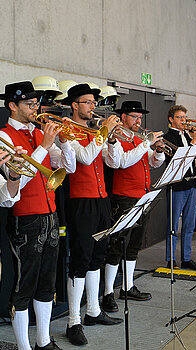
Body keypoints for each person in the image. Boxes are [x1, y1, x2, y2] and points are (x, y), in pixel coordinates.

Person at [0, 81, 76, 350]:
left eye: (36, 105)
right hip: (25, 218)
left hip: (51, 215)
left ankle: (43, 340)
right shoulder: (5, 136)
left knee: (46, 284)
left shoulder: (36, 133)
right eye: (30, 105)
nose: (35, 109)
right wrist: (44, 143)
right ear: (12, 106)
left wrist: (64, 143)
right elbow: (16, 183)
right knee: (24, 287)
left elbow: (67, 166)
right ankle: (23, 346)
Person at [61, 83, 125, 346]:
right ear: (74, 105)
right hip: (81, 201)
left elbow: (114, 162)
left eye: (93, 102)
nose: (92, 107)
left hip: (101, 200)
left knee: (97, 256)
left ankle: (93, 311)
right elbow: (85, 159)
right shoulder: (68, 129)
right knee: (81, 258)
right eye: (87, 102)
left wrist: (111, 139)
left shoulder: (94, 131)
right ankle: (73, 321)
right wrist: (103, 133)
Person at [102, 100, 164, 312]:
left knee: (134, 245)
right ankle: (108, 292)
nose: (139, 121)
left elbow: (154, 163)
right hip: (124, 198)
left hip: (142, 196)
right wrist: (146, 144)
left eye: (140, 117)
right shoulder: (116, 137)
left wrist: (158, 151)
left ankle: (128, 286)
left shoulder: (139, 139)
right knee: (117, 246)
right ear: (123, 117)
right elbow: (122, 162)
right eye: (135, 117)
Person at [163, 105, 196, 271]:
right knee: (173, 225)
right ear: (171, 119)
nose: (183, 121)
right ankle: (170, 260)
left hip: (191, 184)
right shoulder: (168, 138)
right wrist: (193, 141)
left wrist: (195, 139)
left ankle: (186, 258)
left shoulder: (187, 136)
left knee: (189, 224)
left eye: (184, 117)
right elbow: (180, 159)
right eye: (180, 117)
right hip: (177, 186)